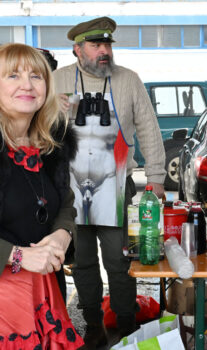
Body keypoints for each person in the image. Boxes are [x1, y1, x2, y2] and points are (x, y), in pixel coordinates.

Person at [53, 16, 166, 348]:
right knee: (83, 260)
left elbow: (148, 127)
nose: (104, 51)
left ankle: (127, 324)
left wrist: (157, 176)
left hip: (117, 185)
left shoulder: (128, 80)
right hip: (69, 188)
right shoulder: (56, 80)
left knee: (119, 261)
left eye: (107, 45)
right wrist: (53, 109)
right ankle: (92, 324)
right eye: (95, 45)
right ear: (77, 49)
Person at [0, 43, 83, 348]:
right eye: (13, 75)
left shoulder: (51, 146)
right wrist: (19, 256)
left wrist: (62, 234)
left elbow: (66, 201)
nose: (27, 84)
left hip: (46, 292)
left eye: (36, 75)